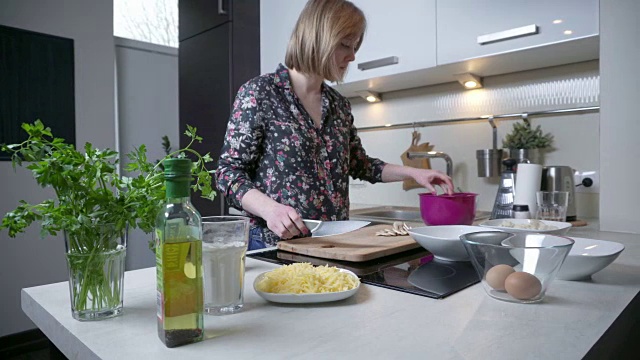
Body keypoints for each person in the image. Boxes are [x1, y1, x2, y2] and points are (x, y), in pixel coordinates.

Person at [216, 0, 454, 250]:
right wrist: (270, 210)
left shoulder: (339, 105)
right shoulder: (260, 93)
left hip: (335, 247)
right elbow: (228, 173)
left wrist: (414, 173)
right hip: (275, 247)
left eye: (355, 46)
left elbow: (360, 165)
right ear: (319, 38)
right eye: (345, 45)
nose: (352, 56)